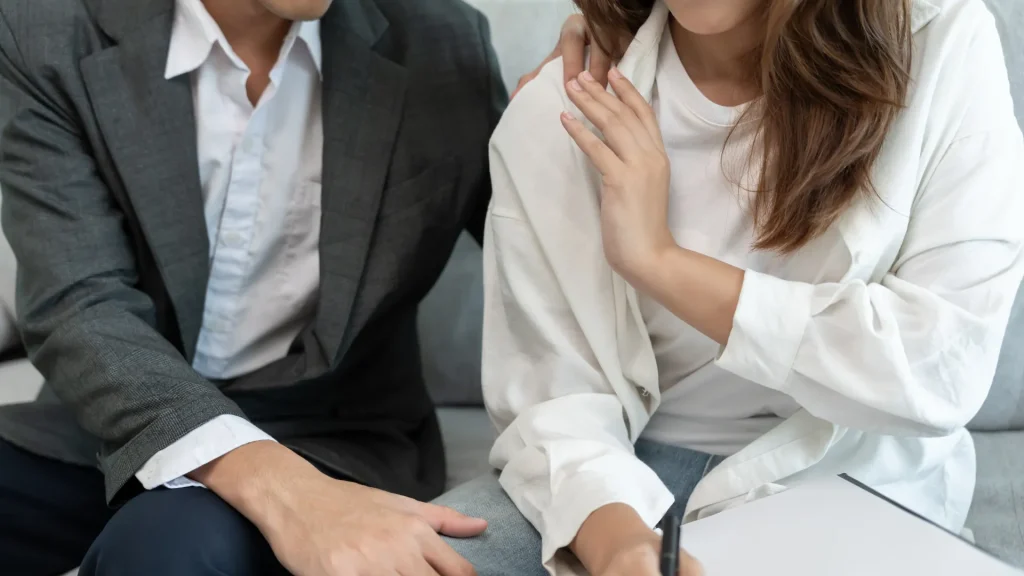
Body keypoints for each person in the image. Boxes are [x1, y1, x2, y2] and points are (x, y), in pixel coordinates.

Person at [0, 1, 602, 575]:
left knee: (167, 551)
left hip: (328, 431)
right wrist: (283, 491)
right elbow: (79, 304)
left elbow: (551, 268)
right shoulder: (48, 28)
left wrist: (560, 132)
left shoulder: (440, 44)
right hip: (109, 418)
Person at [435, 0, 1024, 574]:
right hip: (609, 475)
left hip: (843, 476)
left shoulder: (941, 46)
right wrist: (618, 544)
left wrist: (661, 262)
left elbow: (940, 365)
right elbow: (552, 396)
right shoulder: (562, 106)